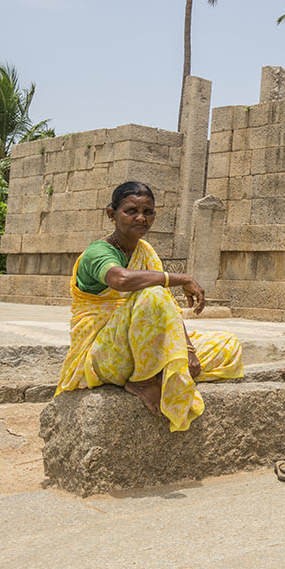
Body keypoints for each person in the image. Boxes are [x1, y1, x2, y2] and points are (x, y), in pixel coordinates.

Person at [55, 181, 243, 431]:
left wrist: (187, 350)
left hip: (140, 350)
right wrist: (181, 279)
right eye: (131, 211)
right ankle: (144, 380)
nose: (141, 218)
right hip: (103, 354)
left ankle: (159, 372)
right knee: (153, 292)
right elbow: (122, 280)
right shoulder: (97, 252)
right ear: (112, 214)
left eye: (148, 212)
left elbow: (167, 311)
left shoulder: (145, 251)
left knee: (229, 347)